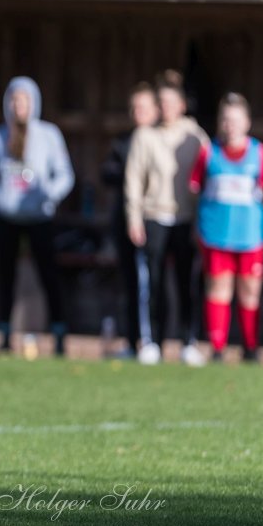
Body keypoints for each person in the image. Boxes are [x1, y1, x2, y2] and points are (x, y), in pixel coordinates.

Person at [0, 76, 73, 356]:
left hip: (39, 216)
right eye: (15, 100)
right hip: (8, 217)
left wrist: (48, 196)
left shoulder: (49, 135)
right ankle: (5, 334)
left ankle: (58, 334)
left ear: (34, 103)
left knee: (48, 275)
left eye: (25, 100)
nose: (19, 106)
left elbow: (65, 175)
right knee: (6, 276)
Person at [124, 71, 208, 366]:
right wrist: (134, 217)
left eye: (173, 102)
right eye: (162, 102)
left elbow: (207, 176)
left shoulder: (195, 136)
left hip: (185, 218)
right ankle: (154, 341)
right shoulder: (145, 136)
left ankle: (188, 340)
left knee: (187, 283)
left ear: (182, 105)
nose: (168, 108)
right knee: (154, 283)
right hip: (154, 216)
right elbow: (134, 180)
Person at [190, 93, 263, 363]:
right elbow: (195, 186)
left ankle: (250, 346)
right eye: (226, 120)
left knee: (250, 291)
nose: (230, 125)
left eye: (236, 120)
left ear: (247, 122)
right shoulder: (208, 151)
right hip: (216, 233)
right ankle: (218, 346)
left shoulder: (258, 153)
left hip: (249, 234)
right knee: (218, 289)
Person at [101, 83, 156, 356]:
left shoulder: (160, 140)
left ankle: (155, 341)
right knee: (130, 283)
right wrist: (131, 171)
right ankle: (132, 340)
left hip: (156, 219)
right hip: (125, 221)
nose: (139, 113)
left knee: (153, 283)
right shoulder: (123, 142)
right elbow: (107, 174)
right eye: (135, 108)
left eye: (144, 107)